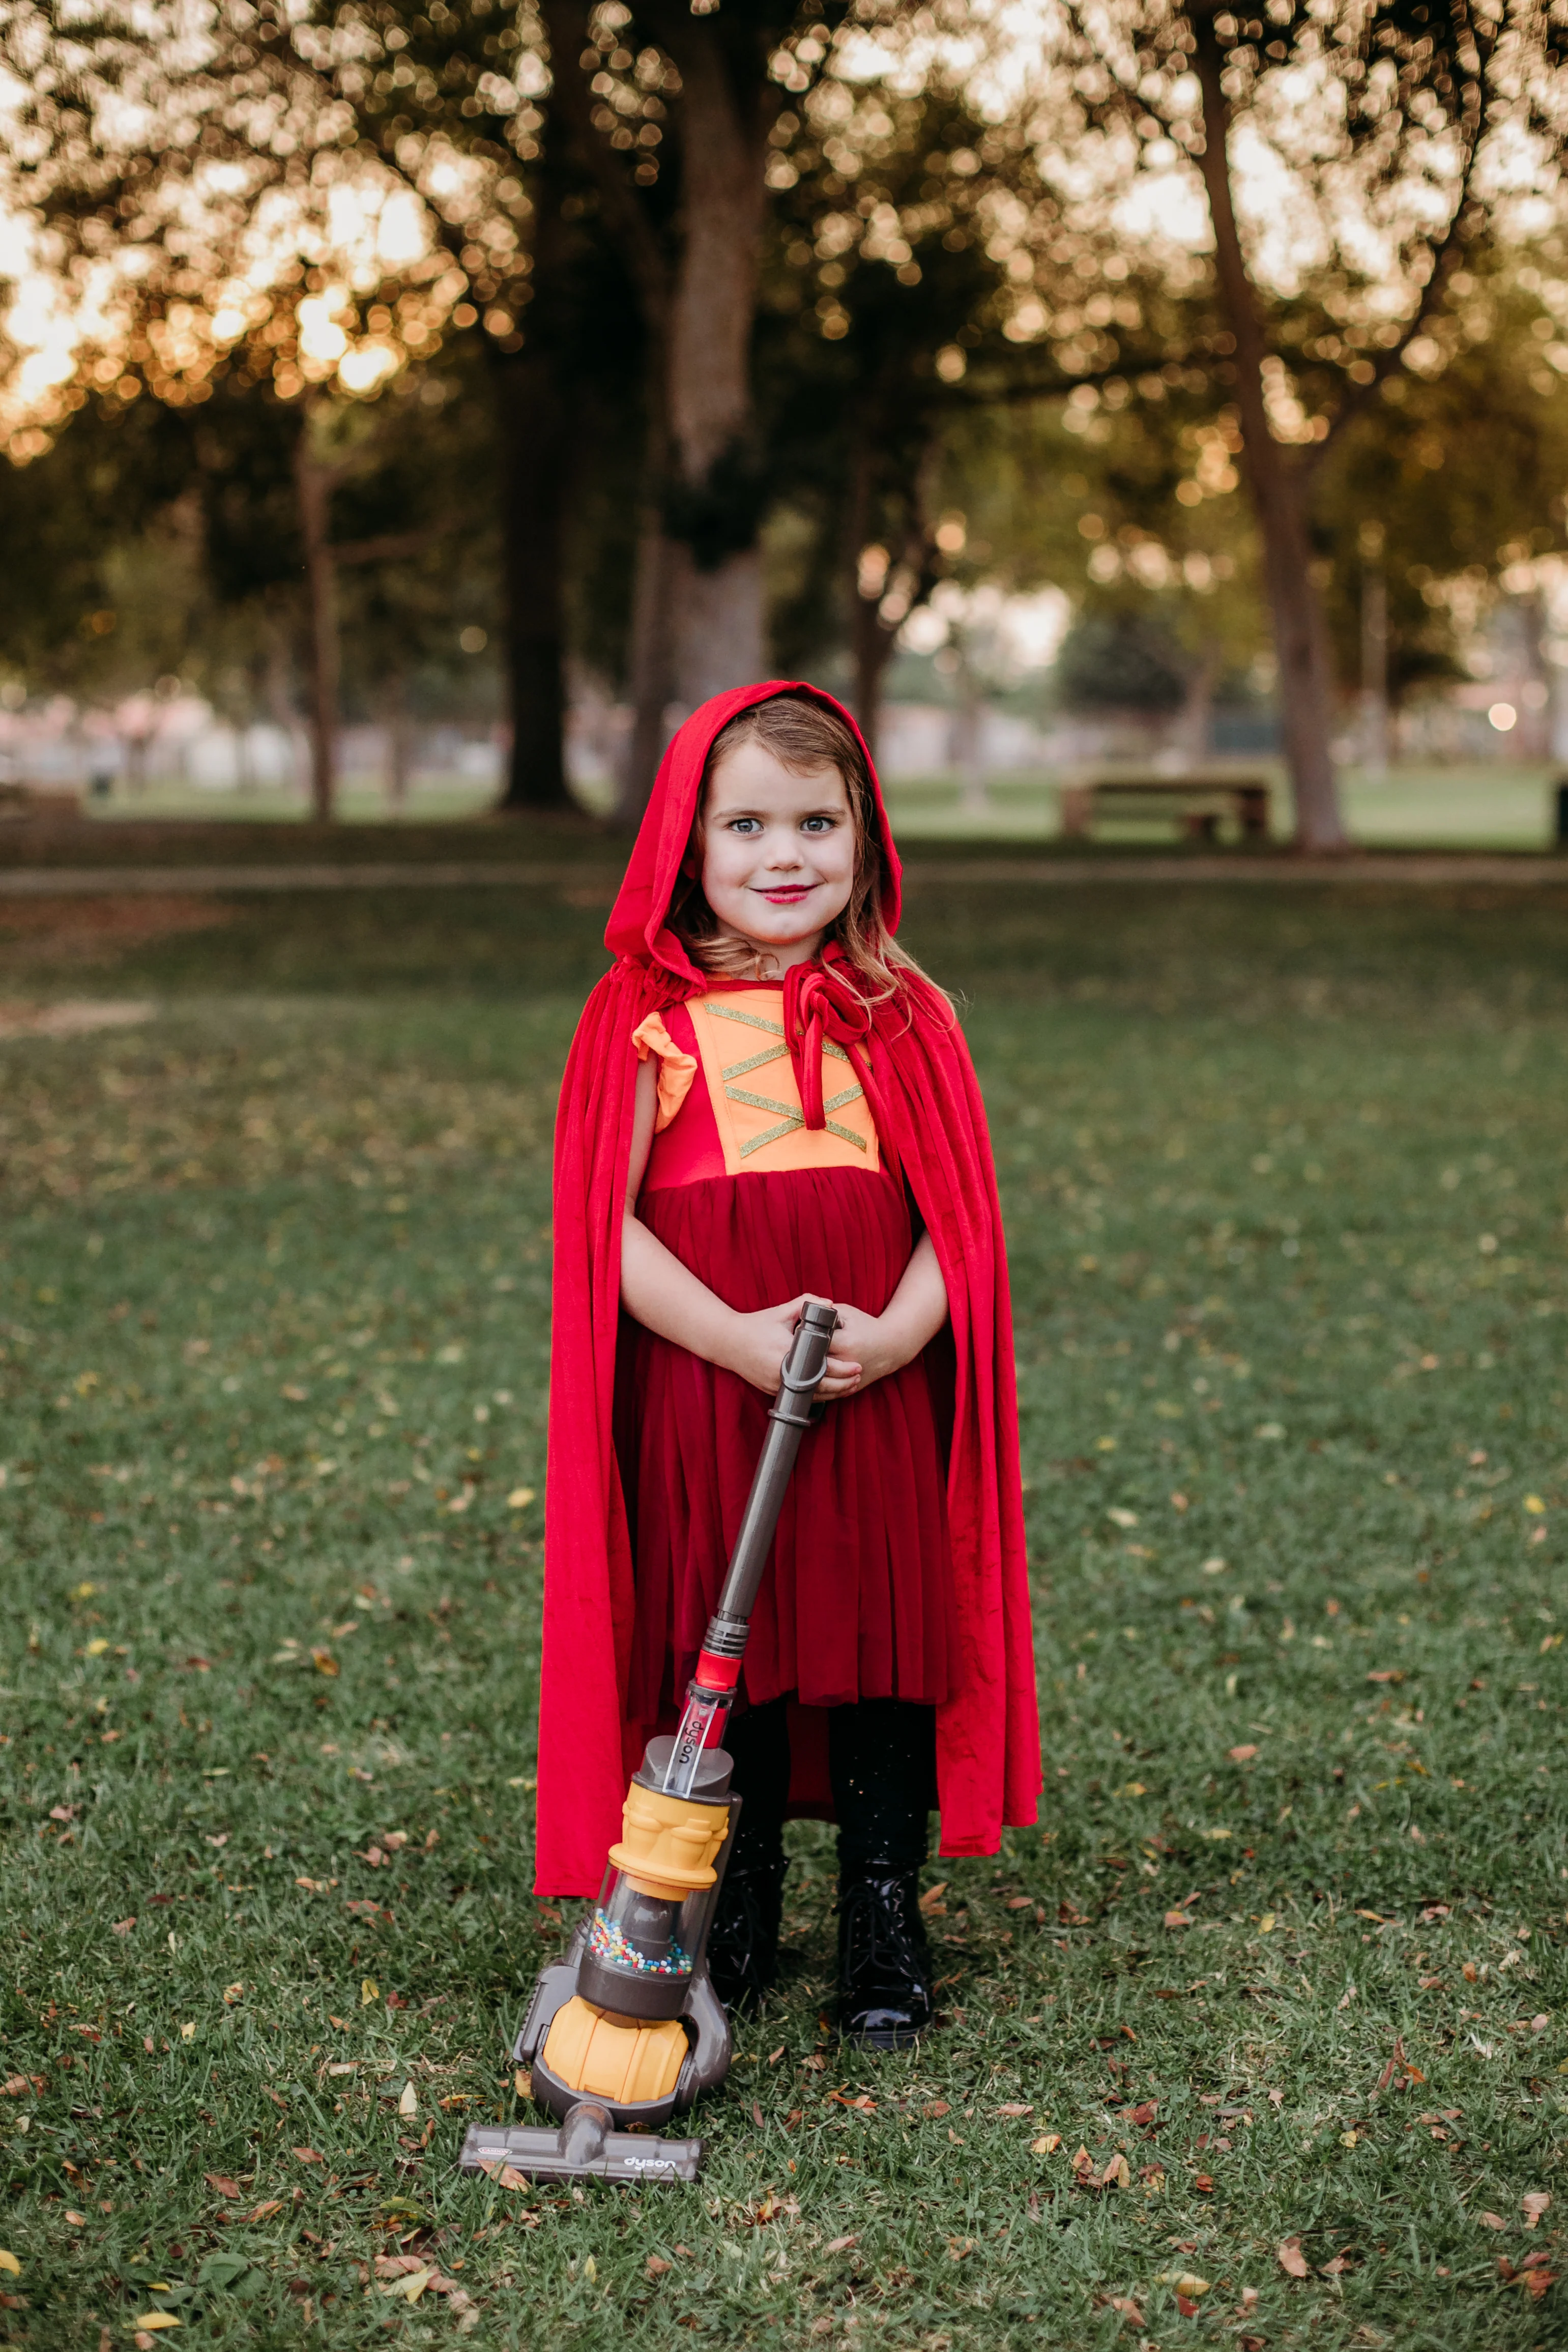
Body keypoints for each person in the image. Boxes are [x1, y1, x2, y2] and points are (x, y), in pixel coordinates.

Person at [537, 682, 1040, 2047]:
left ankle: (884, 1901)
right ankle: (736, 1894)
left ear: (866, 838)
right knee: (731, 1641)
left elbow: (964, 1224)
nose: (785, 855)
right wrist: (735, 1336)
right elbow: (607, 1236)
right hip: (714, 1388)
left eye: (819, 822)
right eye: (746, 821)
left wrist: (908, 1329)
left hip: (872, 1389)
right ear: (685, 841)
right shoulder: (644, 1015)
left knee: (877, 1641)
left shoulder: (903, 1010)